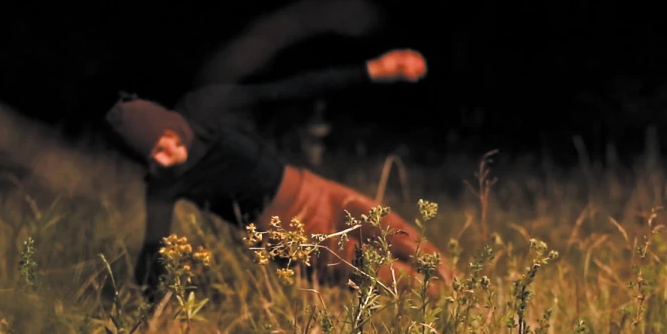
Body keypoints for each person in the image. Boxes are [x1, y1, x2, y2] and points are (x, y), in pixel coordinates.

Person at [104, 48, 455, 297]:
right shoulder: (164, 182)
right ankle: (451, 318)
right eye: (153, 159)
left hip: (312, 188)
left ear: (169, 125)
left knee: (408, 239)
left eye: (164, 144)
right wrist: (141, 316)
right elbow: (153, 252)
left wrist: (373, 70)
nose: (166, 159)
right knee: (393, 278)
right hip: (287, 233)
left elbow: (286, 89)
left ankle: (474, 302)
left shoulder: (204, 108)